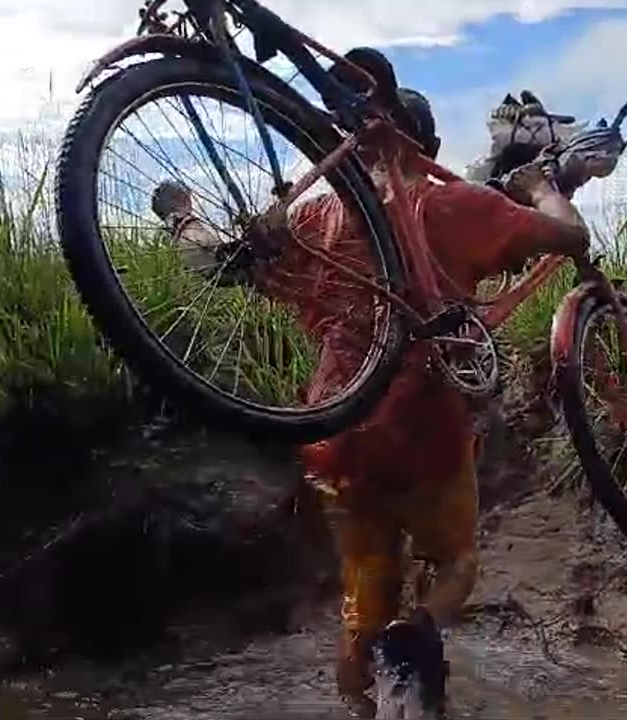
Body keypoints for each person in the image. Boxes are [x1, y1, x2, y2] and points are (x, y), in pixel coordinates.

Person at [153, 48, 601, 719]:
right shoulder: (456, 206)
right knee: (454, 567)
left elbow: (223, 261)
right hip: (425, 435)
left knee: (362, 602)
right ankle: (415, 644)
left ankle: (364, 699)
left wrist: (181, 214)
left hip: (334, 435)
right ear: (432, 145)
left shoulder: (313, 221)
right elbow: (570, 235)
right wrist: (541, 187)